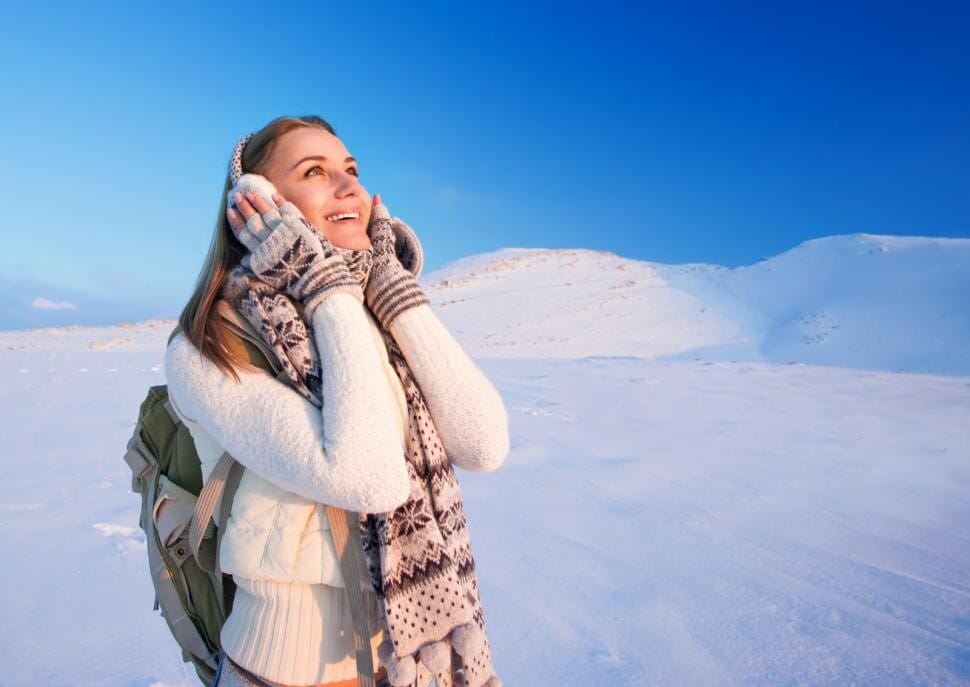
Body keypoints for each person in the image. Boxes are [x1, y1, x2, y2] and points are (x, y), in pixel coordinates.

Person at [164, 115, 508, 687]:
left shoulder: (371, 309)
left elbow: (484, 442)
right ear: (258, 200)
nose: (350, 187)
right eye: (315, 172)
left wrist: (393, 290)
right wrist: (325, 287)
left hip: (405, 666)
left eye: (351, 170)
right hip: (281, 670)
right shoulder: (210, 344)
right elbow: (368, 476)